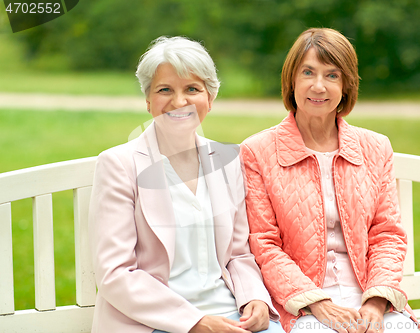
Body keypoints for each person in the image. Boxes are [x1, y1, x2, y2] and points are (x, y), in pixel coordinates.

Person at [88, 36, 284, 333]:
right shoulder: (119, 165)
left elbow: (238, 254)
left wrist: (254, 298)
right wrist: (196, 323)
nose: (179, 102)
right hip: (154, 321)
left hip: (229, 314)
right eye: (165, 90)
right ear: (148, 100)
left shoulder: (228, 161)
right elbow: (116, 274)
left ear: (210, 98)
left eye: (192, 89)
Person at [240, 28, 419, 333]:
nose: (318, 86)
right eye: (308, 72)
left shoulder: (375, 147)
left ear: (346, 85)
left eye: (332, 75)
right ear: (291, 81)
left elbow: (387, 235)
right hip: (301, 305)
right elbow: (265, 245)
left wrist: (376, 303)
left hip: (370, 296)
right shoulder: (257, 151)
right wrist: (317, 304)